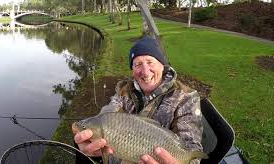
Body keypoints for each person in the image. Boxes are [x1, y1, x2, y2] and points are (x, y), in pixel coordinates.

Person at [72, 36, 203, 164]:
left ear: (162, 65)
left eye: (150, 62)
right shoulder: (124, 90)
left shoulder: (186, 97)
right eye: (138, 64)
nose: (145, 72)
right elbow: (109, 113)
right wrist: (90, 141)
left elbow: (192, 150)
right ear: (133, 69)